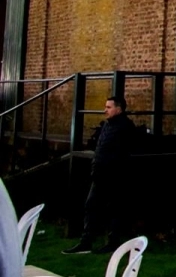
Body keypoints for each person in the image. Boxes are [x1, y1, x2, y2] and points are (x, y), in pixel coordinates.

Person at [63, 96, 137, 254]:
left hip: (114, 175)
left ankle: (112, 243)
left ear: (118, 109)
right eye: (106, 107)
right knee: (91, 206)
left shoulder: (125, 127)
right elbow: (101, 148)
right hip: (100, 174)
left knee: (114, 209)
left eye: (109, 107)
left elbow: (122, 153)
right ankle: (86, 242)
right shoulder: (107, 125)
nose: (105, 110)